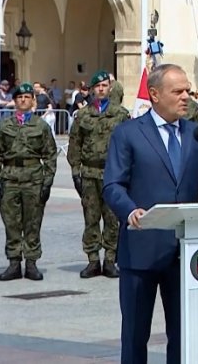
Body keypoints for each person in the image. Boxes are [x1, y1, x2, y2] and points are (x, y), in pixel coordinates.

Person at [103, 63, 198, 364]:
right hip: (141, 250)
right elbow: (113, 185)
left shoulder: (195, 135)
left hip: (184, 254)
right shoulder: (128, 134)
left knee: (182, 334)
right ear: (155, 94)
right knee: (136, 336)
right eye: (178, 91)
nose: (186, 96)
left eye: (188, 90)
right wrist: (130, 209)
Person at [0, 83, 58, 281]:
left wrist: (47, 181)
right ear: (15, 100)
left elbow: (50, 155)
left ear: (33, 101)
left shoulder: (41, 126)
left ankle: (31, 263)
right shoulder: (4, 126)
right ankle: (13, 263)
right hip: (10, 178)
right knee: (11, 222)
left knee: (32, 222)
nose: (23, 100)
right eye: (19, 97)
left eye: (27, 97)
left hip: (33, 178)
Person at [68, 70, 131, 279]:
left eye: (105, 85)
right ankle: (93, 260)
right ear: (92, 90)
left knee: (112, 218)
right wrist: (75, 171)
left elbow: (128, 146)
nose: (101, 89)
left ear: (110, 88)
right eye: (98, 86)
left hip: (113, 174)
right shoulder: (83, 115)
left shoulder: (121, 114)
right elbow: (75, 144)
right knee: (91, 217)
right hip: (89, 172)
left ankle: (110, 260)